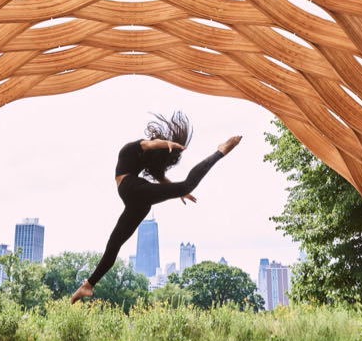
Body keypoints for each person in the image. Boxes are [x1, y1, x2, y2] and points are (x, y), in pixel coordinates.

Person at [70, 111, 241, 304]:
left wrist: (179, 192)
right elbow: (149, 144)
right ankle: (89, 285)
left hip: (136, 195)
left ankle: (220, 151)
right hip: (134, 197)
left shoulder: (148, 164)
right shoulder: (133, 147)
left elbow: (162, 180)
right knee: (114, 243)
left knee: (185, 185)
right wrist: (167, 145)